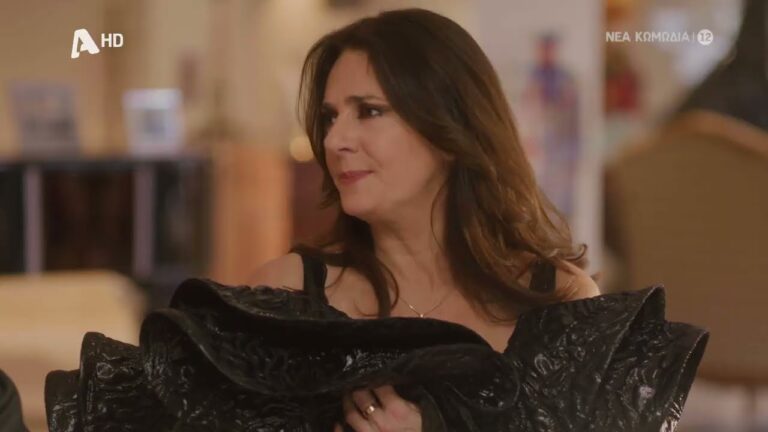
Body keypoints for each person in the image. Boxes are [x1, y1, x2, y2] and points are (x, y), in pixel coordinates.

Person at [45, 8, 707, 432]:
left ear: (450, 130)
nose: (335, 141)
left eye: (369, 111)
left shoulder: (558, 298)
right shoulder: (285, 293)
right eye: (329, 118)